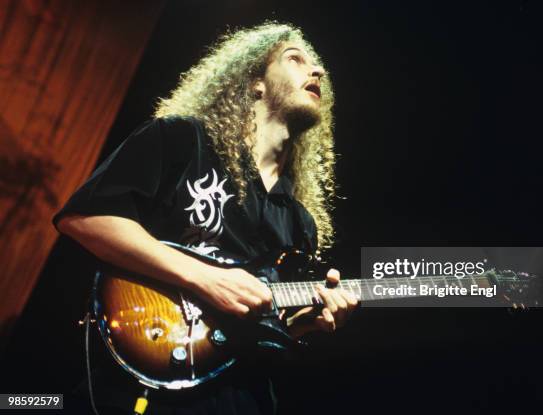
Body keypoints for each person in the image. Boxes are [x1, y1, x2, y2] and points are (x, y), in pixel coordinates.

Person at [53, 22, 358, 415]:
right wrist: (207, 278)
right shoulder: (182, 140)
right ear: (255, 83)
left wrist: (305, 321)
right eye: (296, 59)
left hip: (244, 397)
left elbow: (261, 324)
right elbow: (86, 218)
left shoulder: (300, 222)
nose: (316, 71)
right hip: (143, 382)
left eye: (318, 67)